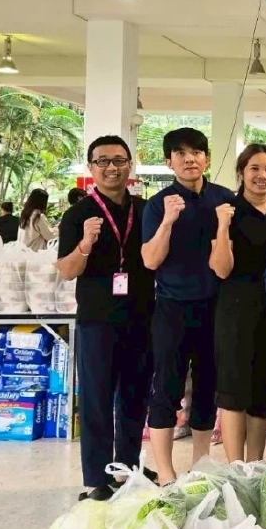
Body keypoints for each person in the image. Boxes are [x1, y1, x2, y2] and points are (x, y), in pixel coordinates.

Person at [56, 135, 156, 501]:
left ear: (131, 164)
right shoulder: (77, 214)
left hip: (142, 317)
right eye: (102, 161)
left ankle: (127, 469)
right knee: (97, 398)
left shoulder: (146, 211)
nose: (111, 167)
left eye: (118, 160)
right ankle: (96, 479)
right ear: (91, 167)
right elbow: (67, 271)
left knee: (134, 397)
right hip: (97, 320)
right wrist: (84, 244)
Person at [140, 127, 236, 484]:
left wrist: (224, 225)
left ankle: (201, 463)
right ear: (169, 162)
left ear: (206, 158)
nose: (189, 158)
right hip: (171, 308)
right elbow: (150, 261)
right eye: (179, 153)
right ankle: (165, 470)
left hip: (215, 308)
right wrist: (167, 220)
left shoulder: (224, 200)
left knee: (209, 386)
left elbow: (226, 266)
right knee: (167, 386)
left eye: (196, 151)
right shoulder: (157, 204)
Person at [209, 144, 266, 463]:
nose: (262, 175)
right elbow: (220, 269)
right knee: (233, 388)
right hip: (235, 308)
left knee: (265, 387)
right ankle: (235, 466)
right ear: (241, 172)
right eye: (254, 168)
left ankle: (255, 464)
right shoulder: (226, 208)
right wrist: (222, 225)